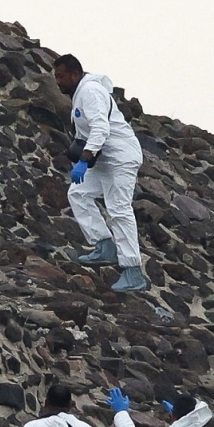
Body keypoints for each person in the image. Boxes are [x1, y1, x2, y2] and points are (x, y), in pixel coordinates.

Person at [52, 53, 147, 293]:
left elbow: (101, 128)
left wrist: (84, 159)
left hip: (120, 157)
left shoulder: (90, 91)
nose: (58, 82)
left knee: (119, 209)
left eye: (61, 76)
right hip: (104, 159)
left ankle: (133, 270)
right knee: (78, 193)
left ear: (75, 74)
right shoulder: (81, 94)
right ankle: (105, 246)